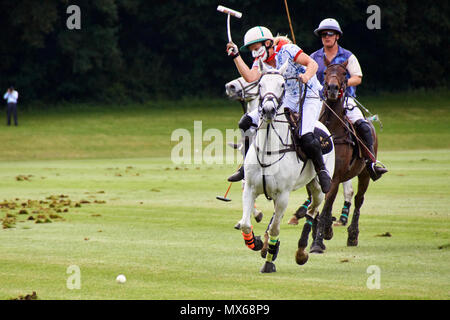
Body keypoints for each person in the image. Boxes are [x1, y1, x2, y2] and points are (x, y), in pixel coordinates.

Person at [226, 26, 331, 193]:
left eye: (256, 48)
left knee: (306, 135)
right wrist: (236, 57)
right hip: (286, 98)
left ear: (268, 43)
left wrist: (306, 76)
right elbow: (251, 77)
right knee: (245, 122)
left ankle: (322, 171)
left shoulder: (288, 50)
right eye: (251, 51)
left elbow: (312, 64)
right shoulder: (262, 60)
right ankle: (246, 168)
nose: (255, 53)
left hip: (308, 96)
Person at [310, 18, 387, 181]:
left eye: (330, 34)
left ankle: (371, 162)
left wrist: (338, 84)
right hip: (320, 101)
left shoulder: (348, 56)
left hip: (345, 100)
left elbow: (357, 77)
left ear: (337, 36)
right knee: (304, 126)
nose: (326, 37)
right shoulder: (314, 57)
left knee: (363, 125)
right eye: (323, 34)